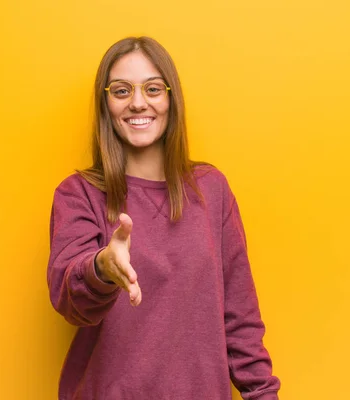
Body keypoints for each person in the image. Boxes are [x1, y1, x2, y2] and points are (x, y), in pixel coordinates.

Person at [47, 36, 280, 400]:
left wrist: (263, 393)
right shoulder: (79, 194)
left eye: (152, 88)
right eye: (121, 91)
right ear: (105, 103)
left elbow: (241, 318)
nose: (138, 102)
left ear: (171, 98)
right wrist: (101, 268)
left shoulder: (211, 190)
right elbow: (71, 301)